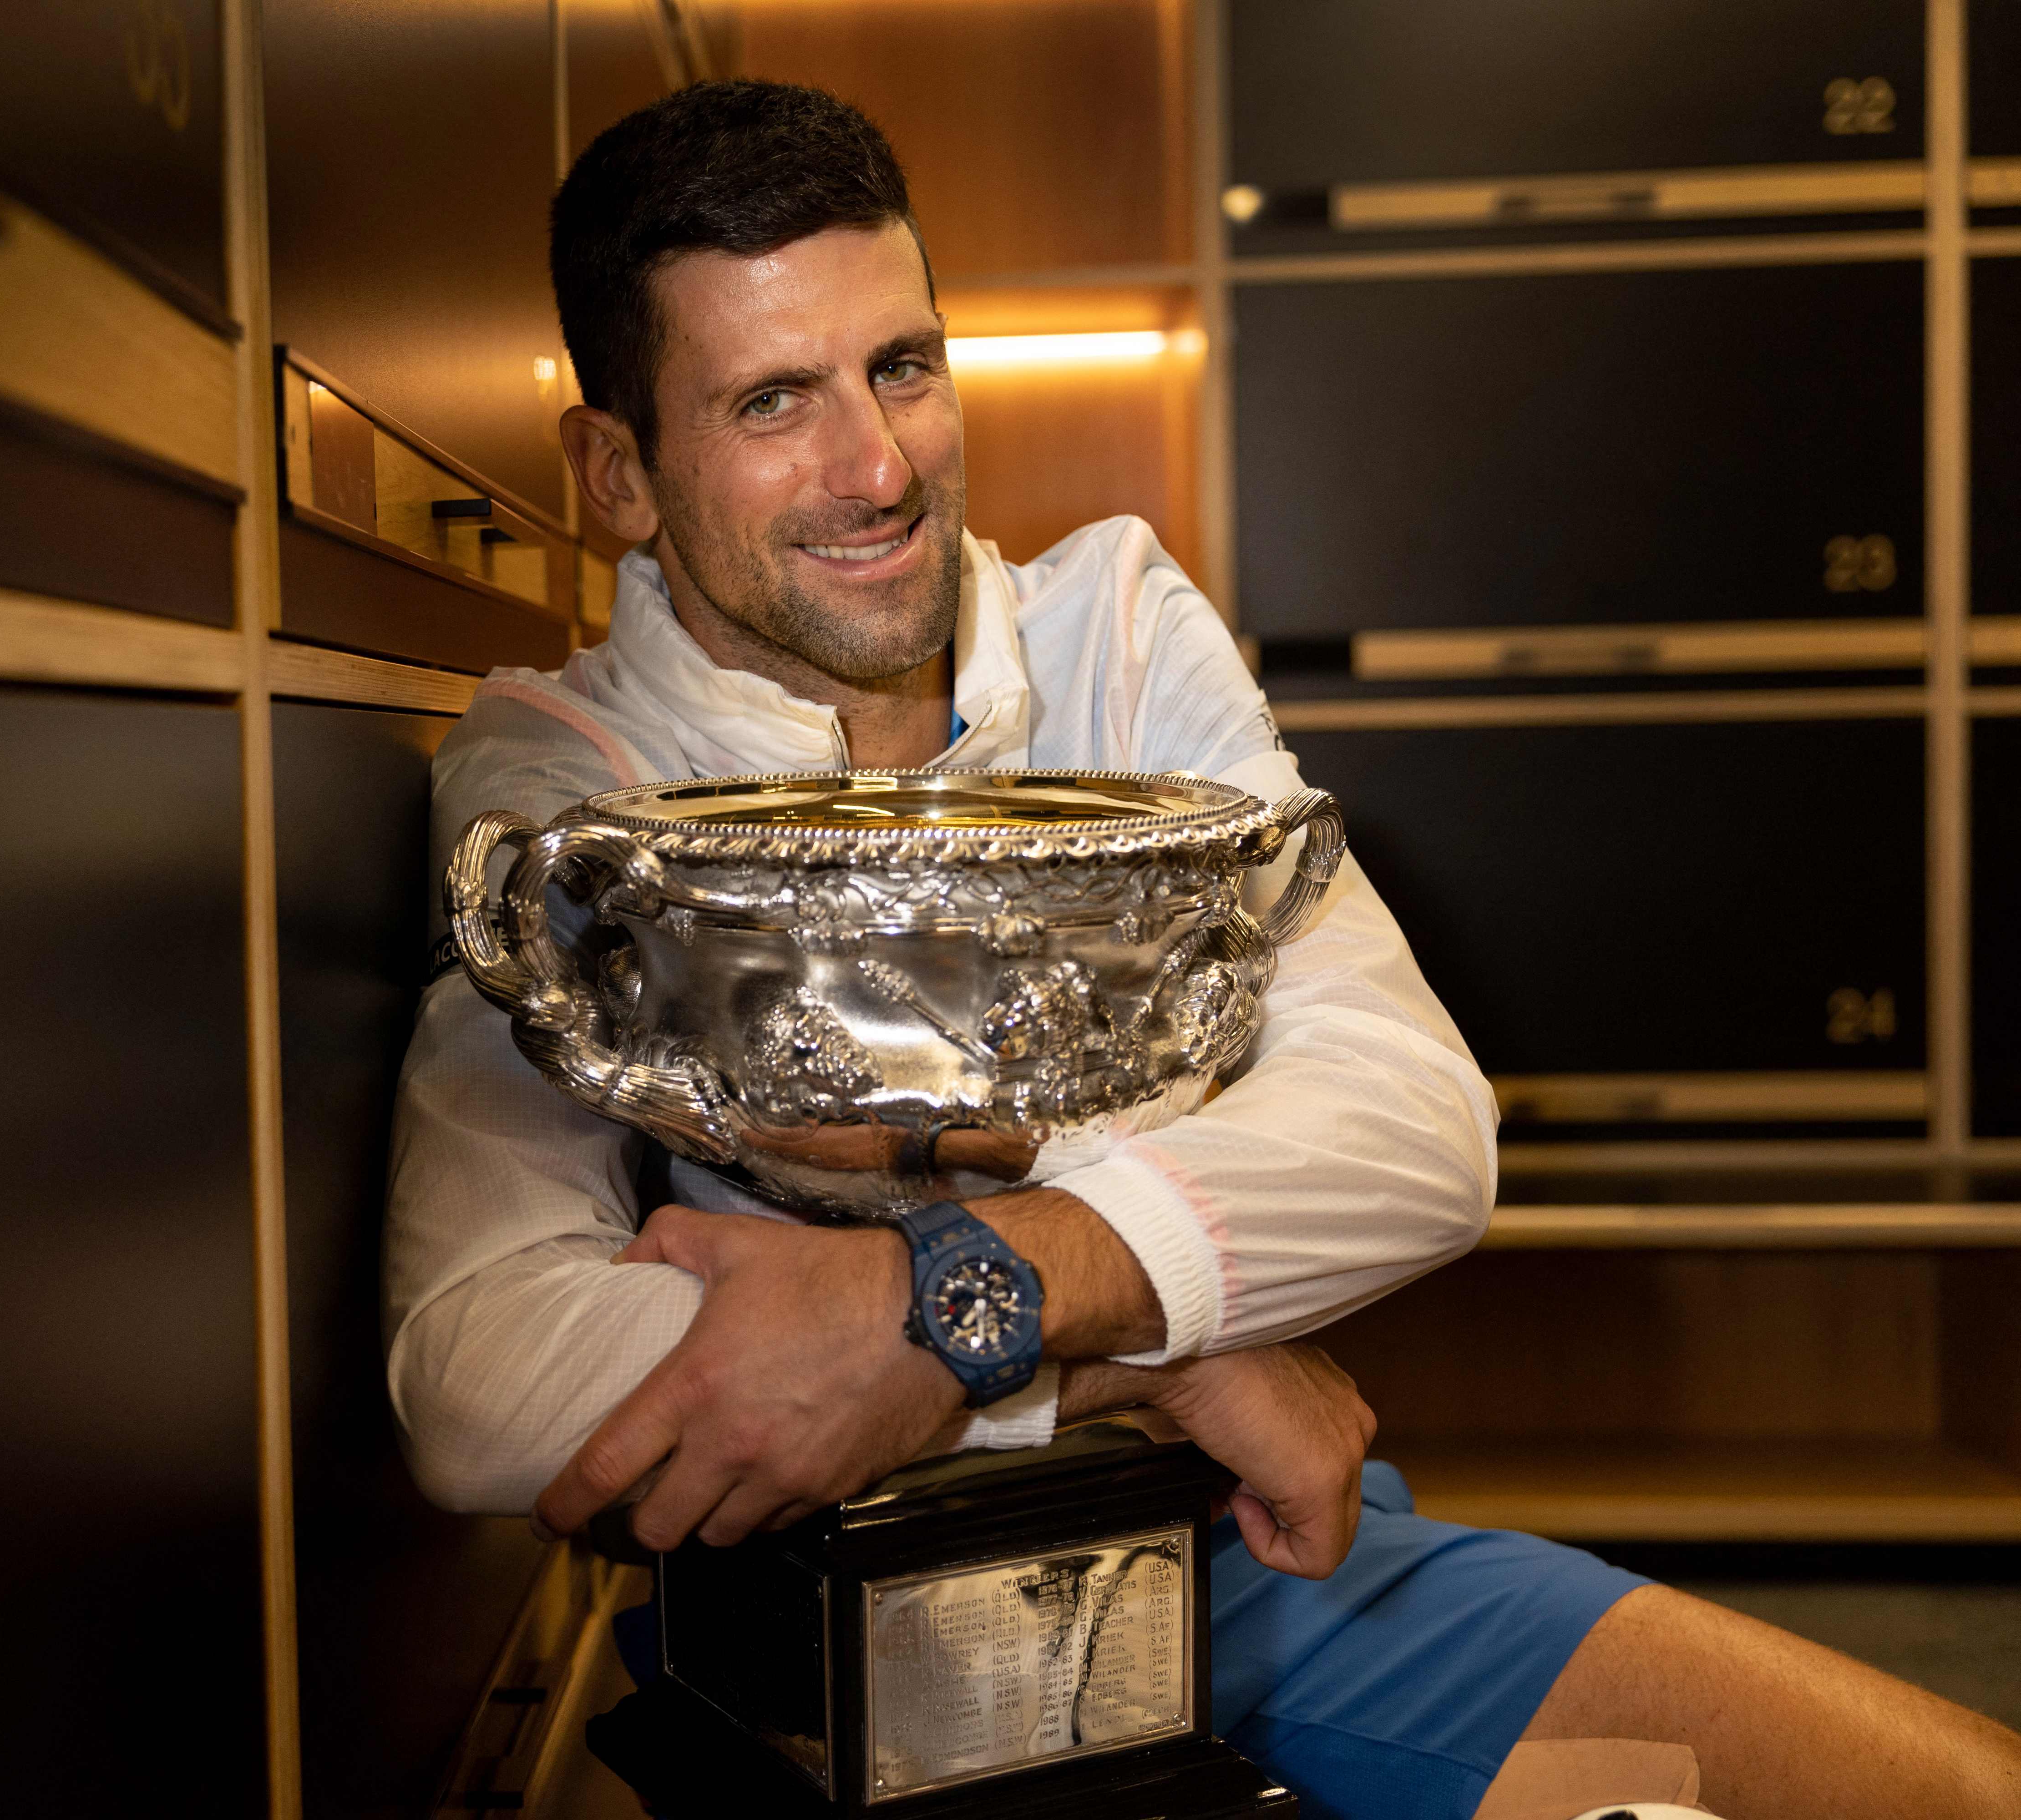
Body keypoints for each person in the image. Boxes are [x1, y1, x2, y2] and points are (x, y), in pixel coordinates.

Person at [384, 79, 2021, 1818]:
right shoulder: (563, 790)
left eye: (906, 367)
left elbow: (1412, 1129)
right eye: (773, 401)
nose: (878, 468)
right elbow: (475, 1380)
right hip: (846, 1659)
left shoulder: (1117, 623)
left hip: (1260, 1562)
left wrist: (936, 1315)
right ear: (617, 470)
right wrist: (1181, 1354)